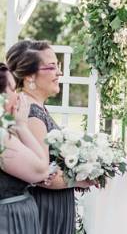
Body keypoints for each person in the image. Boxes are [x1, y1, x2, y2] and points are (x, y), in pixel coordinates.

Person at [6, 40, 93, 234]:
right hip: (45, 208)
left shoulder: (35, 107)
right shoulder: (31, 114)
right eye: (52, 67)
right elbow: (40, 175)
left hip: (52, 204)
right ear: (30, 76)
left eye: (58, 66)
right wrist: (80, 178)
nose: (59, 73)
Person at [0, 63, 49, 234]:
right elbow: (40, 170)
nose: (18, 95)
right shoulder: (1, 137)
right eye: (12, 89)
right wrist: (22, 125)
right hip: (9, 220)